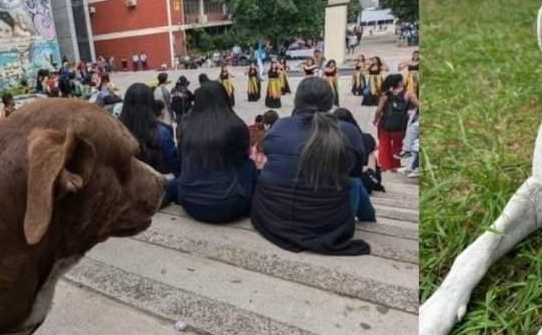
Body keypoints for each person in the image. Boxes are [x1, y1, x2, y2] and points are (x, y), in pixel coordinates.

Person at [250, 77, 373, 256]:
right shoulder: (348, 131)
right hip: (324, 224)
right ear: (331, 101)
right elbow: (354, 174)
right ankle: (370, 217)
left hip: (270, 217)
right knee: (354, 184)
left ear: (297, 100)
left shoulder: (279, 126)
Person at [176, 82, 254, 223]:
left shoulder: (185, 125)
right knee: (250, 165)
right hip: (226, 205)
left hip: (188, 201)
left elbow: (180, 160)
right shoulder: (235, 125)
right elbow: (243, 158)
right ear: (225, 98)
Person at [120, 83, 179, 207]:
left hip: (125, 194)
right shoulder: (162, 132)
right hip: (155, 195)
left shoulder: (117, 131)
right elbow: (174, 165)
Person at [374, 73, 418, 172]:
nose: (404, 81)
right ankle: (395, 165)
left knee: (384, 144)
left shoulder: (386, 95)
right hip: (400, 124)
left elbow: (379, 110)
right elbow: (419, 105)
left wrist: (375, 119)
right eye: (402, 80)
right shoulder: (408, 95)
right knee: (397, 144)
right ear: (399, 83)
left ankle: (385, 165)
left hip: (385, 123)